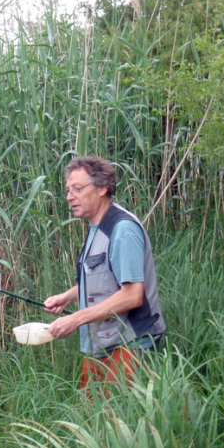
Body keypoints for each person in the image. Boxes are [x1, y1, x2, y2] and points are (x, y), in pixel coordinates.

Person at [43, 156, 166, 388]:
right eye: (68, 190)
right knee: (91, 416)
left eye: (77, 189)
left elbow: (132, 295)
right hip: (103, 341)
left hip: (131, 342)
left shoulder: (122, 230)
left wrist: (75, 319)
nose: (70, 197)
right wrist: (68, 297)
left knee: (117, 418)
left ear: (102, 188)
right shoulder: (97, 227)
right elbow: (107, 277)